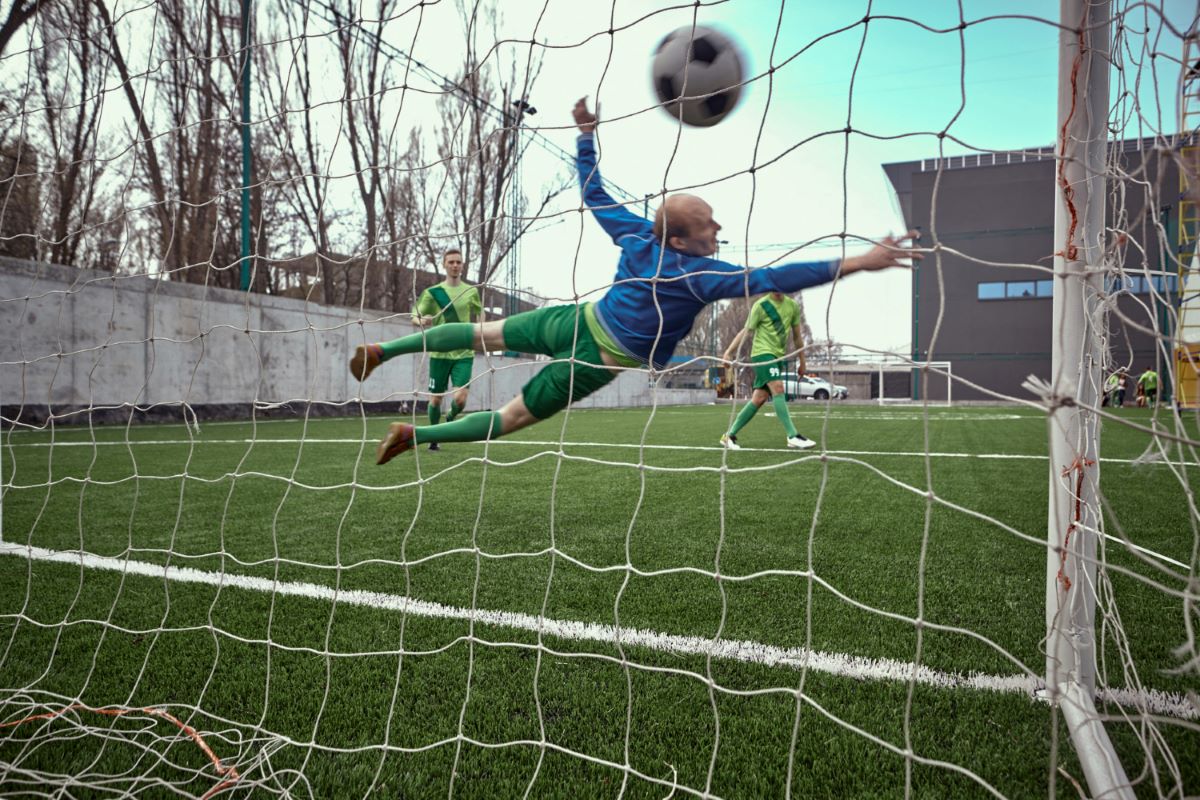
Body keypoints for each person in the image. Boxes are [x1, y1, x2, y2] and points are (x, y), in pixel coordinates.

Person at [350, 97, 920, 464]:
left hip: (573, 318)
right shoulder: (699, 275)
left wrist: (584, 135)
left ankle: (384, 351)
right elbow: (772, 274)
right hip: (599, 356)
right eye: (708, 224)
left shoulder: (636, 235)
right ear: (681, 239)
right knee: (510, 418)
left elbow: (594, 192)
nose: (718, 227)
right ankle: (412, 435)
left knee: (483, 334)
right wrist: (855, 262)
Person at [408, 248, 482, 451]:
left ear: (463, 265)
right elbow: (415, 316)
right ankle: (434, 437)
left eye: (458, 262)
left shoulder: (471, 291)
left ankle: (449, 417)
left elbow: (480, 314)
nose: (455, 265)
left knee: (460, 398)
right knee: (435, 399)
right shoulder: (433, 293)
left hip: (464, 353)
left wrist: (482, 334)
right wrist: (422, 320)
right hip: (439, 354)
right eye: (451, 262)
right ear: (444, 264)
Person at [720, 292, 812, 449]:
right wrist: (729, 352)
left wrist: (802, 362)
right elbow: (746, 331)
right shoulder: (761, 305)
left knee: (759, 398)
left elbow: (797, 337)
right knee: (778, 388)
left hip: (778, 357)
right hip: (762, 354)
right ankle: (792, 435)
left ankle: (729, 435)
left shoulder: (792, 306)